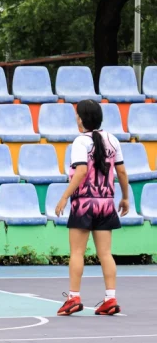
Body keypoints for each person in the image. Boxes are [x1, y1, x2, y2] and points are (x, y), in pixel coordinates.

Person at [55, 99, 128, 316]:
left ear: (81, 119)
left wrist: (64, 197)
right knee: (105, 253)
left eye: (77, 115)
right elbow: (122, 172)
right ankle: (110, 298)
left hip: (84, 203)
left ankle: (74, 298)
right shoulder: (112, 139)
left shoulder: (80, 142)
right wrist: (125, 198)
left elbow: (81, 172)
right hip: (106, 203)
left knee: (77, 251)